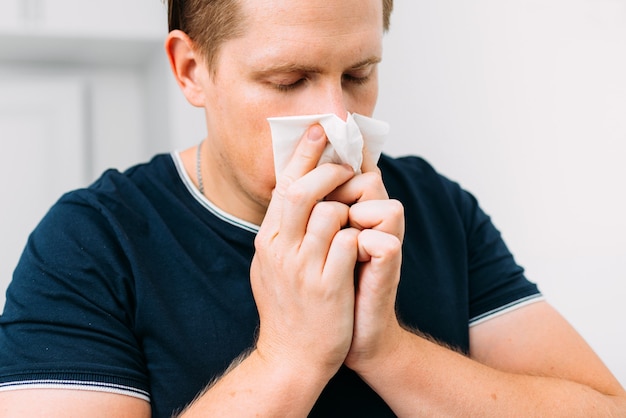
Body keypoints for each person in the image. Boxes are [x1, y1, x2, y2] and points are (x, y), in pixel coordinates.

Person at [1, 0, 625, 416]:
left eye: (359, 74)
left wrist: (388, 351)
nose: (338, 120)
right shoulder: (90, 243)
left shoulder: (433, 208)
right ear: (191, 70)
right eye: (289, 80)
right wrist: (289, 357)